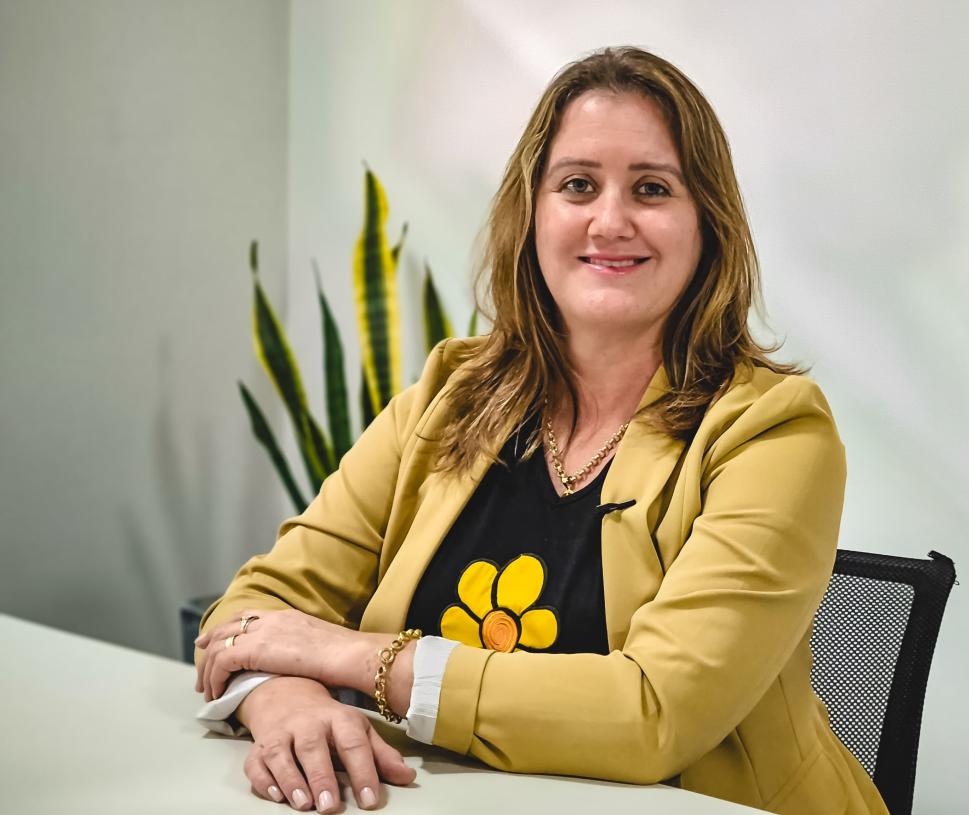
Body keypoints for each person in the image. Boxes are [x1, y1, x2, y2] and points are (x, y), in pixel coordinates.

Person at [193, 46, 887, 815]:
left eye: (652, 188)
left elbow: (653, 715)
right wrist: (282, 697)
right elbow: (256, 608)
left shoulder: (773, 434)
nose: (610, 220)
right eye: (578, 184)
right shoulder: (449, 398)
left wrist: (355, 656)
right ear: (533, 214)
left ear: (707, 228)